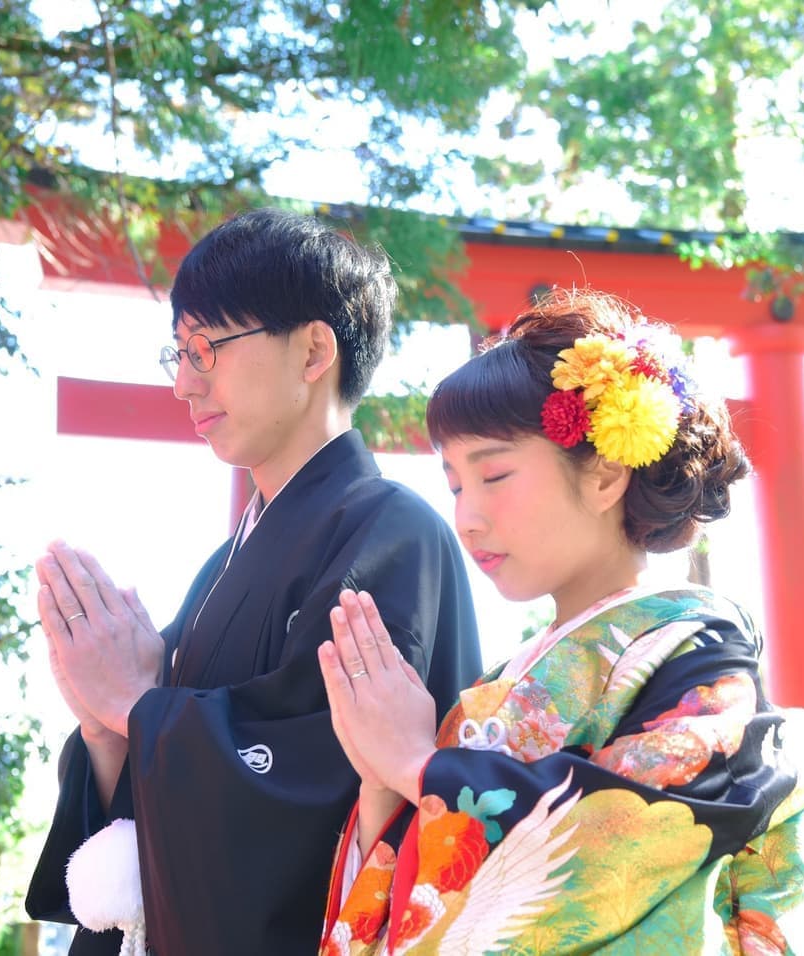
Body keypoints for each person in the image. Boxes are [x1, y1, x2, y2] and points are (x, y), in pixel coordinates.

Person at [316, 289, 804, 955]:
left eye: (495, 476)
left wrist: (418, 767)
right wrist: (384, 785)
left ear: (605, 476)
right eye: (456, 485)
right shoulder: (498, 684)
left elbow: (633, 833)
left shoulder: (696, 651)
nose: (467, 517)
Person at [24, 208, 483, 955]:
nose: (182, 383)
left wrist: (139, 704)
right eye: (175, 352)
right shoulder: (221, 564)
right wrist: (108, 731)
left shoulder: (394, 533)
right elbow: (153, 778)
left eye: (205, 349)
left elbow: (326, 787)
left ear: (312, 351)